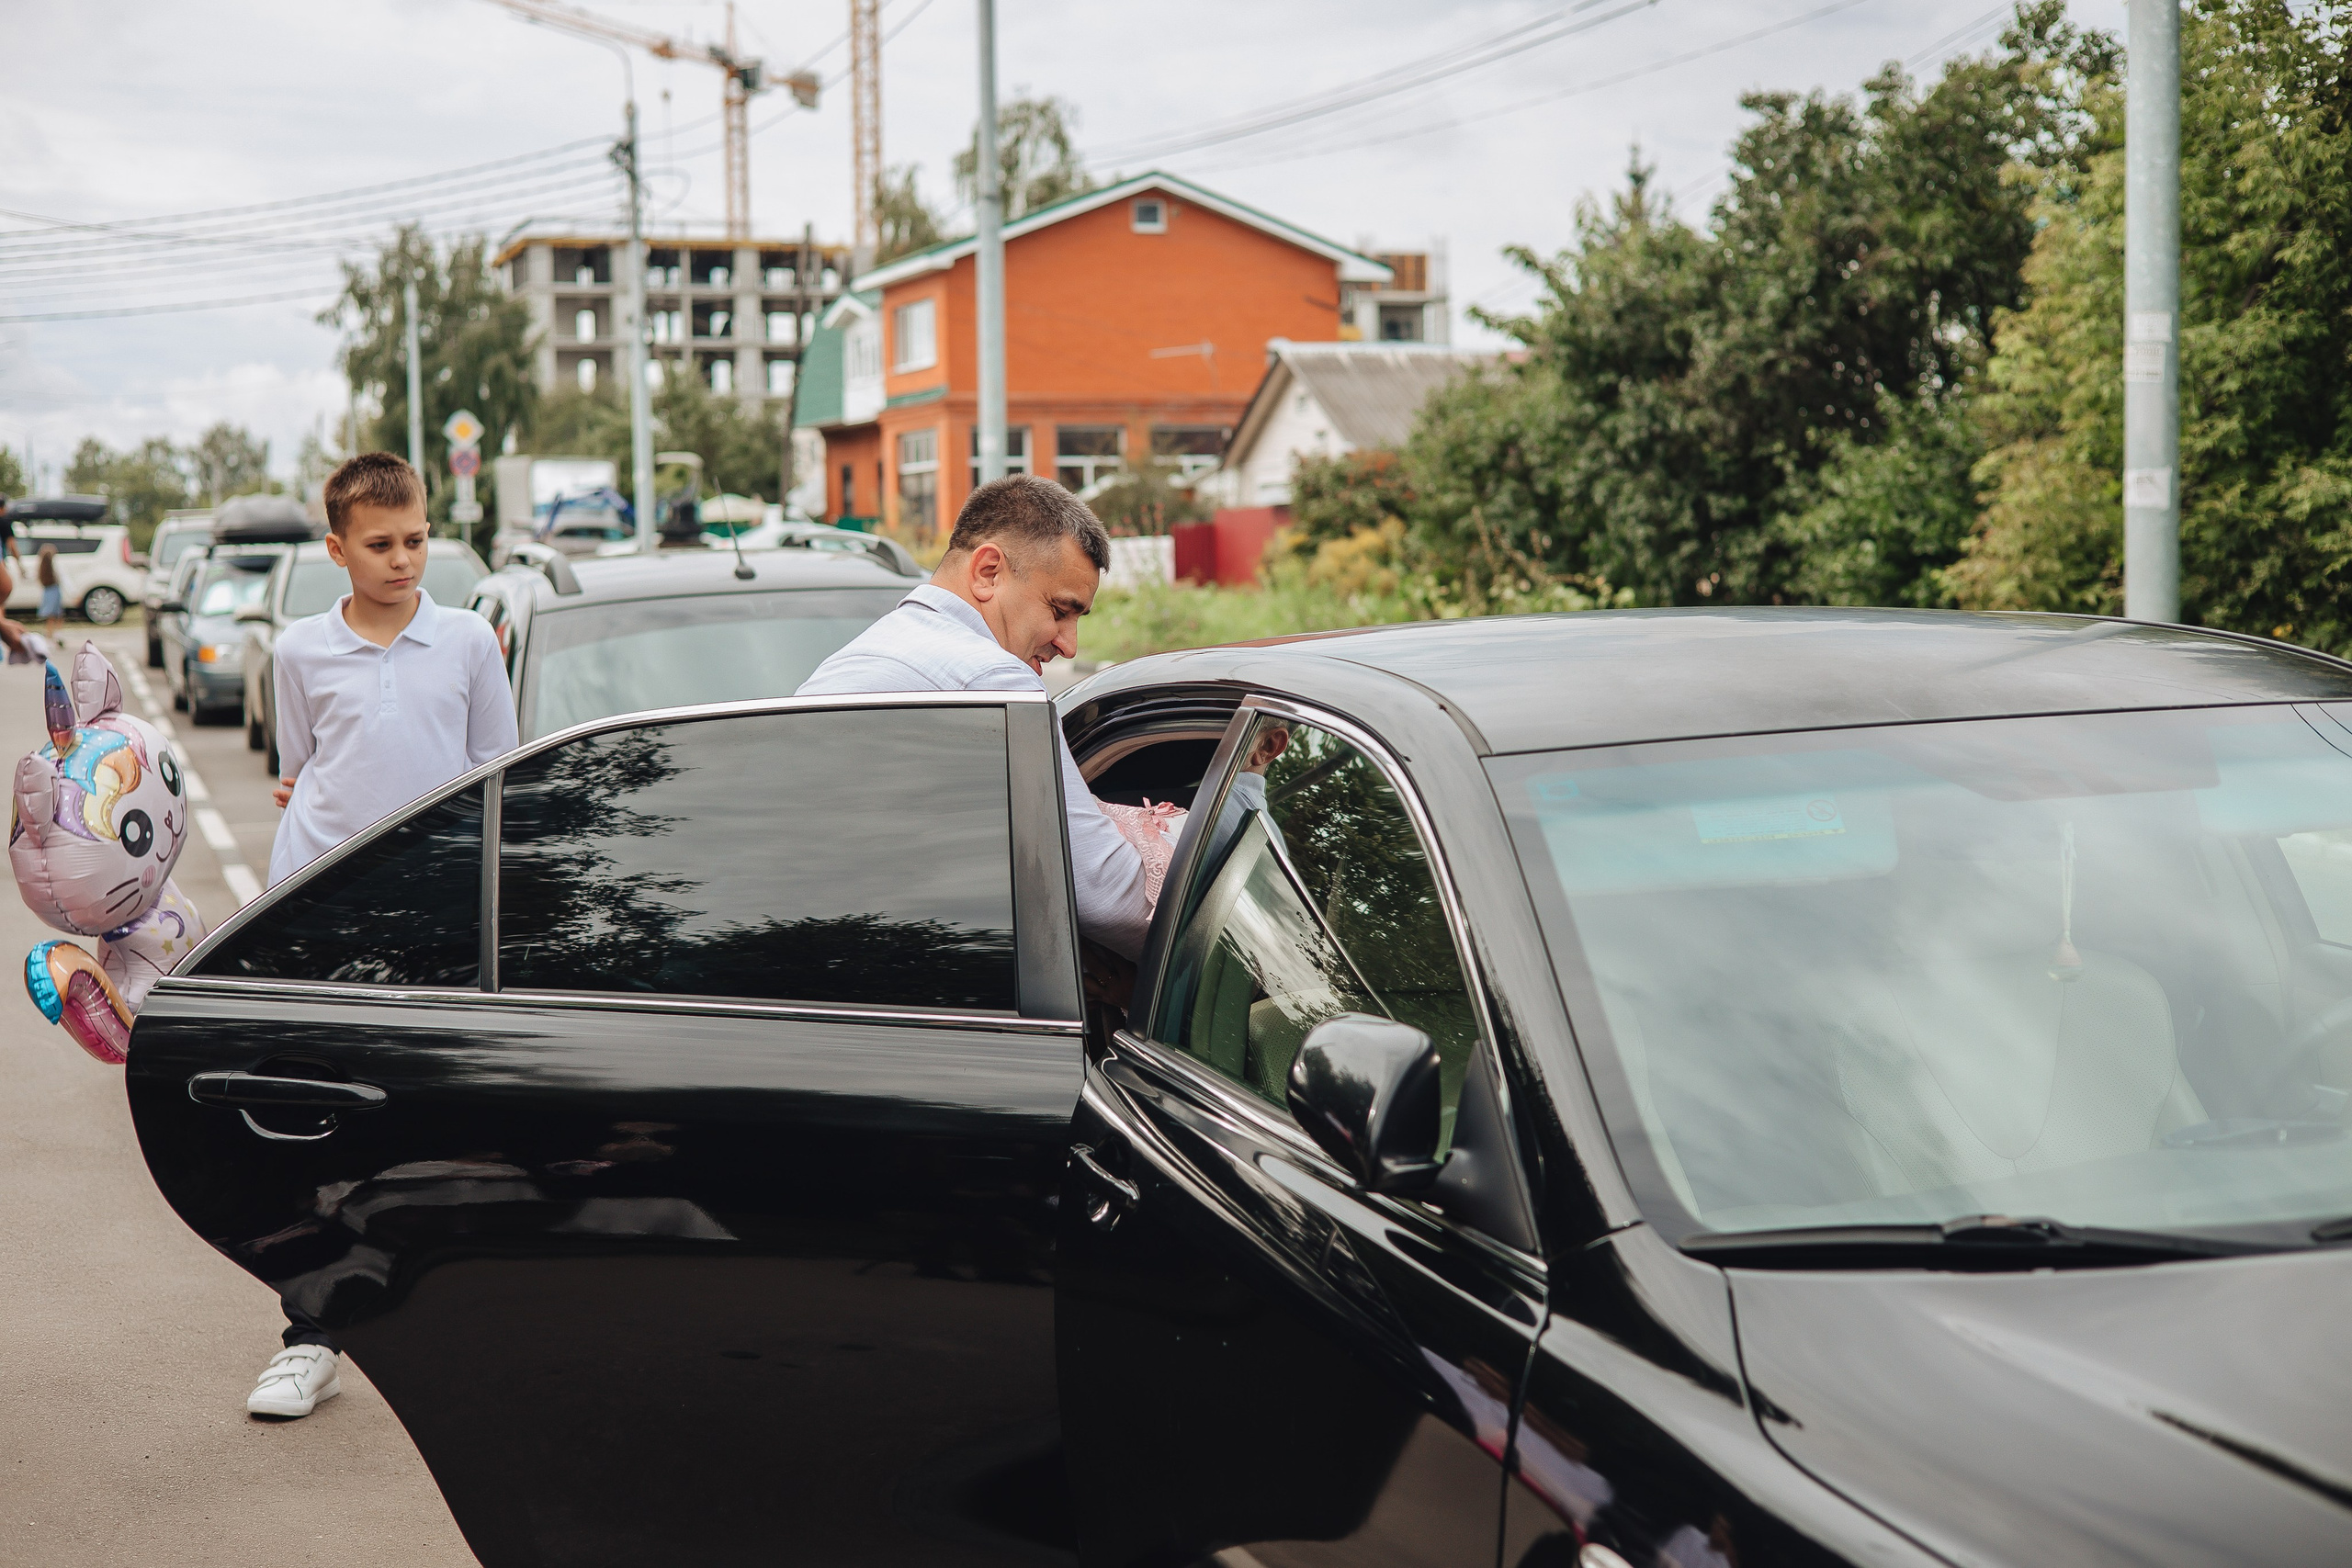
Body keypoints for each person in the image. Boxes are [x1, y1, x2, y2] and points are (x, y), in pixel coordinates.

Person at [249, 452, 516, 1419]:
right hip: (318, 909)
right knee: (318, 1130)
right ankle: (307, 1337)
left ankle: (440, 1328)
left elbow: (495, 774)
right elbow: (301, 769)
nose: (405, 560)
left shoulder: (471, 643)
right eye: (381, 544)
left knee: (435, 1129)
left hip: (434, 917)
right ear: (337, 550)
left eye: (416, 539)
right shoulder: (297, 651)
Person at [797, 473, 1151, 960]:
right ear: (988, 572)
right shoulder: (990, 678)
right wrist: (1240, 790)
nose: (1069, 644)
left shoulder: (861, 654)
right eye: (1060, 610)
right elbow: (1115, 903)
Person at [35, 544, 62, 643]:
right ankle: (57, 633)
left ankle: (49, 632)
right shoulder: (55, 565)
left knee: (49, 614)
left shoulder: (41, 566)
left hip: (47, 590)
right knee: (57, 613)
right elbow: (63, 578)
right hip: (54, 589)